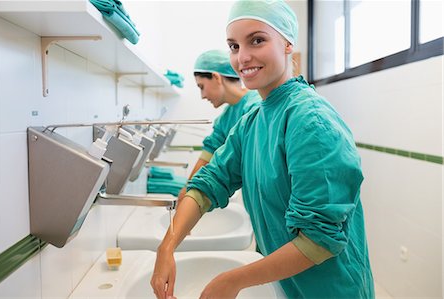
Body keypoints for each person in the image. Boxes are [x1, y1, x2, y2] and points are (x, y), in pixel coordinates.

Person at [151, 1, 374, 298]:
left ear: (287, 44)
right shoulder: (253, 122)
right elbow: (209, 183)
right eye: (233, 46)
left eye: (257, 40)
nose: (242, 57)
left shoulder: (311, 121)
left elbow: (319, 239)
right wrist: (167, 246)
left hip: (330, 289)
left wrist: (230, 281)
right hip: (290, 285)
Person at [177, 49, 261, 201]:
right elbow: (208, 153)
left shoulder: (256, 106)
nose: (202, 96)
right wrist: (188, 190)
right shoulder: (224, 119)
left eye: (201, 86)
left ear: (216, 77)